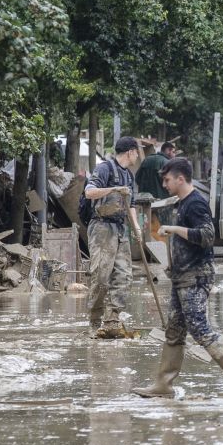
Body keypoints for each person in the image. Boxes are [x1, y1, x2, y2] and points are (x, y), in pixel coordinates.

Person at [134, 158, 223, 399]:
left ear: (180, 179)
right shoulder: (183, 203)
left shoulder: (195, 203)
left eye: (167, 180)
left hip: (196, 275)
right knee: (174, 329)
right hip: (182, 275)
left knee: (199, 327)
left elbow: (208, 236)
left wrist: (175, 230)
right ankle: (163, 384)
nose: (164, 185)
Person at [84, 136, 140, 339]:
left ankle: (112, 319)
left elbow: (131, 204)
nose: (138, 155)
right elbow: (89, 192)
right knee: (101, 276)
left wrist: (136, 228)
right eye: (137, 152)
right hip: (101, 228)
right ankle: (94, 321)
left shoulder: (130, 176)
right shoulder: (105, 168)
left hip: (120, 229)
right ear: (130, 152)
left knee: (124, 275)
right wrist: (114, 189)